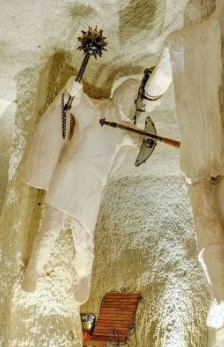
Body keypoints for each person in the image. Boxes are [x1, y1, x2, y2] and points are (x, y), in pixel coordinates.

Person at [142, 0, 224, 328]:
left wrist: (146, 101)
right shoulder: (222, 28)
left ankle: (221, 290)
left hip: (197, 143)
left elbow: (156, 86)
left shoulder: (178, 41)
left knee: (204, 211)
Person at [20, 75, 140, 304]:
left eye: (134, 100)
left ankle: (84, 277)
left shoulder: (126, 129)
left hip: (92, 184)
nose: (131, 103)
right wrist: (73, 88)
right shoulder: (96, 112)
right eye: (130, 97)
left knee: (83, 233)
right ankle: (34, 268)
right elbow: (76, 103)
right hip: (71, 174)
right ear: (120, 95)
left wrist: (144, 140)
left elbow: (139, 140)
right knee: (52, 226)